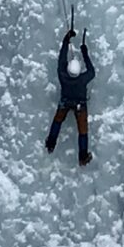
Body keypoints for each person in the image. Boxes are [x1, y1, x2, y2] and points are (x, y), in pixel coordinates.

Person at [45, 28, 95, 166]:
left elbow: (61, 58)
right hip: (80, 105)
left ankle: (50, 143)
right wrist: (85, 52)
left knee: (58, 120)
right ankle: (83, 156)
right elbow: (92, 72)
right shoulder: (83, 79)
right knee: (83, 130)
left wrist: (66, 39)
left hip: (65, 102)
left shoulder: (63, 75)